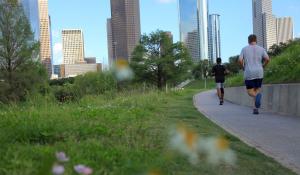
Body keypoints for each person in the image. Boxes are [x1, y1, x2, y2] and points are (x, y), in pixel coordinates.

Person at [239, 34, 270, 115]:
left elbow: (240, 60)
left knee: (250, 92)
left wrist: (243, 67)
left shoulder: (244, 49)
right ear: (256, 40)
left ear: (248, 41)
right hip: (259, 72)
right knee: (257, 90)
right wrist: (263, 66)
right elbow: (267, 59)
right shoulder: (261, 49)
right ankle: (255, 109)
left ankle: (257, 100)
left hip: (249, 72)